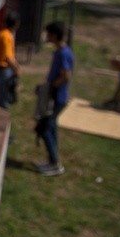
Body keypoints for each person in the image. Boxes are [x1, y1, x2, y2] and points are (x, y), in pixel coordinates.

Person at [35, 21, 74, 177]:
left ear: (55, 35)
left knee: (44, 129)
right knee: (51, 128)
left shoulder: (64, 53)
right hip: (54, 95)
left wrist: (50, 88)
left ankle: (55, 163)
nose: (46, 36)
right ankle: (52, 160)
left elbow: (66, 76)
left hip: (57, 97)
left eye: (49, 34)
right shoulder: (59, 52)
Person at [0, 11, 21, 110]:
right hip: (4, 70)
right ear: (16, 23)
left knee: (2, 96)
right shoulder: (6, 37)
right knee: (4, 99)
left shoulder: (4, 34)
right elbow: (8, 57)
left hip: (3, 69)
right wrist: (16, 69)